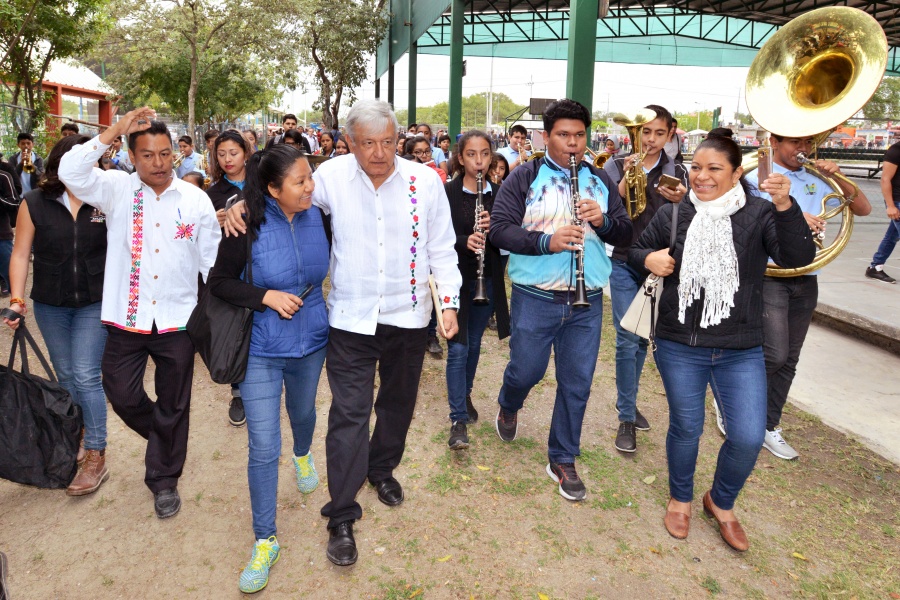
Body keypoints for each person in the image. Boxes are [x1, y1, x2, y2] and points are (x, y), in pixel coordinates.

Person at [223, 99, 460, 567]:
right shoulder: (328, 178)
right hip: (350, 320)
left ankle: (382, 469)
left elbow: (443, 249)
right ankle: (342, 514)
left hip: (408, 317)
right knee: (349, 414)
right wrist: (234, 207)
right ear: (350, 141)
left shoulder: (424, 182)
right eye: (368, 142)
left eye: (388, 142)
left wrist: (447, 303)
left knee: (397, 405)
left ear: (400, 140)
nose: (379, 152)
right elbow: (279, 197)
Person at [628, 129, 815, 551]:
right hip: (679, 345)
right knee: (687, 427)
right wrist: (649, 259)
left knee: (748, 436)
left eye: (714, 169)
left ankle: (721, 501)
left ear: (735, 174)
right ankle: (681, 499)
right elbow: (637, 251)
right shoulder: (676, 213)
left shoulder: (760, 213)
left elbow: (798, 258)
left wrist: (786, 205)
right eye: (696, 167)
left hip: (741, 348)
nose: (702, 177)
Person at [58, 107, 221, 519]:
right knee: (122, 394)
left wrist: (212, 312)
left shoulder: (195, 198)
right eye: (147, 155)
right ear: (131, 156)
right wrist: (115, 129)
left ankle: (164, 480)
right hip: (127, 319)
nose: (159, 163)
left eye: (166, 154)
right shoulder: (115, 189)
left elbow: (210, 260)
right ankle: (165, 437)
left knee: (175, 401)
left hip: (178, 320)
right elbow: (70, 172)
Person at [488, 98, 632, 502]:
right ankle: (509, 401)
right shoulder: (524, 177)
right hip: (535, 297)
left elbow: (625, 233)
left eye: (579, 135)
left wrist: (603, 221)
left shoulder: (600, 179)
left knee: (577, 383)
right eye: (563, 135)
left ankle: (562, 457)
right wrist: (545, 241)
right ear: (545, 137)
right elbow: (500, 230)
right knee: (527, 370)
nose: (573, 144)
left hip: (586, 302)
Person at [208, 144, 329, 593]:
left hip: (312, 339)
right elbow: (219, 283)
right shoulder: (246, 224)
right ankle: (265, 540)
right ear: (274, 188)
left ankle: (303, 454)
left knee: (303, 415)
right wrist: (265, 296)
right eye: (299, 182)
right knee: (262, 445)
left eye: (310, 177)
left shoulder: (321, 215)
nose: (309, 187)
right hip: (260, 345)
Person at [743, 132, 871, 460]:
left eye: (808, 143)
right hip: (770, 275)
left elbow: (864, 209)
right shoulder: (759, 175)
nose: (803, 149)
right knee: (774, 354)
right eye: (795, 142)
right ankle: (735, 405)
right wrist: (794, 218)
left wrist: (838, 178)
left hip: (807, 276)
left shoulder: (817, 177)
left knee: (791, 358)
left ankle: (769, 426)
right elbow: (746, 220)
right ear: (774, 141)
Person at [3, 134, 110, 496]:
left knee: (85, 374)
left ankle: (96, 452)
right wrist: (17, 298)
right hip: (50, 304)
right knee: (65, 375)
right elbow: (20, 254)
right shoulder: (34, 202)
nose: (90, 166)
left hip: (95, 302)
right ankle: (73, 438)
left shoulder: (104, 200)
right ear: (62, 163)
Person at [604, 104, 688, 454]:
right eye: (644, 133)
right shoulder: (613, 165)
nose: (650, 140)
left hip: (659, 266)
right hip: (623, 260)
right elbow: (606, 209)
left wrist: (684, 201)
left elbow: (691, 217)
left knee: (641, 338)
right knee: (627, 336)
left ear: (670, 134)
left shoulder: (680, 171)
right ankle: (626, 416)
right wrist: (624, 180)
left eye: (658, 133)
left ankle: (630, 400)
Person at [444, 130, 511, 449]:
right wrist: (463, 241)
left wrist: (493, 231)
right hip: (455, 277)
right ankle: (457, 418)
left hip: (487, 278)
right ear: (460, 157)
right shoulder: (447, 193)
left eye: (485, 154)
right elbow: (435, 238)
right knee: (457, 346)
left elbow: (510, 238)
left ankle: (465, 393)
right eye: (471, 154)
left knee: (472, 345)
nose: (479, 160)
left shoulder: (501, 194)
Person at [205, 130, 256, 426]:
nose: (227, 159)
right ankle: (238, 392)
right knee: (235, 331)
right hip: (230, 273)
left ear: (246, 153)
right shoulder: (211, 194)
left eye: (233, 153)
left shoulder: (263, 184)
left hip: (263, 267)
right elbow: (192, 234)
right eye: (221, 154)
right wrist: (213, 223)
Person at [865, 141, 900, 284]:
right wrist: (890, 205)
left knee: (892, 235)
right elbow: (885, 179)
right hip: (897, 201)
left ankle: (875, 267)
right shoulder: (896, 150)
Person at [11, 132, 44, 198]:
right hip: (19, 195)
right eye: (23, 143)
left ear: (32, 144)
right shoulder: (13, 159)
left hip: (34, 195)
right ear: (18, 145)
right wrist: (21, 164)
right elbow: (12, 177)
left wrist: (32, 166)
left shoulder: (38, 159)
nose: (26, 146)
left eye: (28, 143)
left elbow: (41, 178)